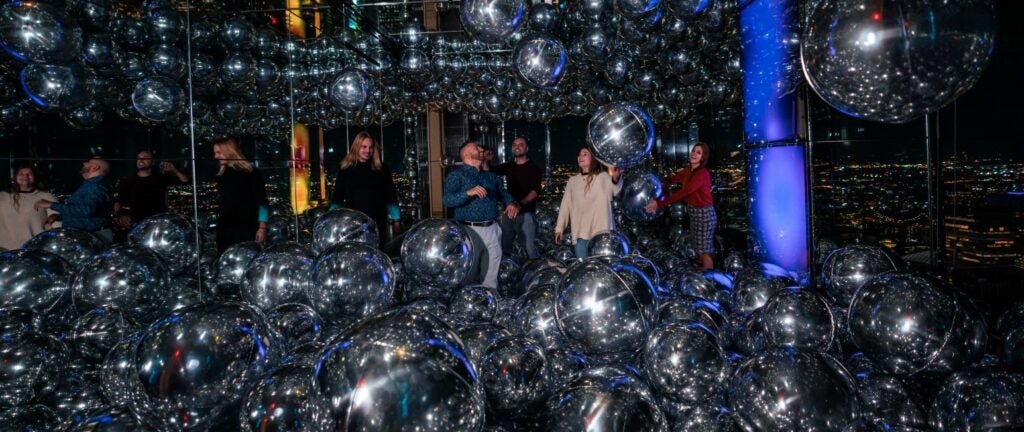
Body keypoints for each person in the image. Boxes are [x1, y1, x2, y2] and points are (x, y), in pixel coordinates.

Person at [443, 139, 519, 289]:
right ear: (465, 154)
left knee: (491, 275)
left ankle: (490, 305)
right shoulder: (456, 175)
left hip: (493, 229)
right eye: (476, 148)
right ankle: (466, 306)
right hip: (469, 231)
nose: (480, 149)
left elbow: (502, 194)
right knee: (468, 274)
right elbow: (447, 200)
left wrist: (510, 202)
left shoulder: (490, 176)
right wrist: (468, 193)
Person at [645, 142, 716, 269]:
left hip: (704, 214)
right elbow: (673, 178)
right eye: (694, 151)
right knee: (698, 248)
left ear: (703, 157)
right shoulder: (689, 170)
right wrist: (662, 182)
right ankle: (704, 275)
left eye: (698, 152)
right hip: (695, 213)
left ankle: (708, 281)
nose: (694, 154)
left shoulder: (702, 174)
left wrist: (659, 204)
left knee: (704, 251)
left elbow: (684, 192)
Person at [331, 131, 400, 245]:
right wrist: (332, 221)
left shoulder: (382, 169)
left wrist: (396, 219)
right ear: (356, 147)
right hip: (353, 222)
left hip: (377, 221)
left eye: (371, 147)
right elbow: (337, 197)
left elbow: (391, 195)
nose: (368, 151)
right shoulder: (345, 169)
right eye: (364, 147)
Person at [555, 147, 623, 258]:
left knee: (602, 267)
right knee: (584, 268)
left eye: (585, 154)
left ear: (593, 158)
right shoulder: (572, 181)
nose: (580, 157)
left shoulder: (602, 177)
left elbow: (615, 190)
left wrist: (616, 178)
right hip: (580, 233)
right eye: (579, 154)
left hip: (601, 232)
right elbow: (565, 206)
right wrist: (559, 229)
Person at [35, 157, 114, 244]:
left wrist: (51, 205)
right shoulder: (91, 185)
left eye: (88, 162)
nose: (84, 163)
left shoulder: (95, 186)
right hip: (88, 236)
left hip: (92, 237)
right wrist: (59, 217)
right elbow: (82, 211)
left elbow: (85, 210)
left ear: (95, 167)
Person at [213, 137, 269, 252]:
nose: (216, 157)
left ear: (229, 151)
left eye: (219, 152)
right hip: (225, 231)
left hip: (248, 229)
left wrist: (262, 228)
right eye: (215, 153)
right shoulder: (221, 176)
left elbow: (263, 203)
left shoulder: (252, 173)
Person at [491, 137, 543, 260]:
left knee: (529, 249)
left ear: (526, 148)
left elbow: (535, 191)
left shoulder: (533, 168)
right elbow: (491, 171)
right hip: (508, 214)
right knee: (505, 248)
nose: (517, 146)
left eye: (521, 144)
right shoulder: (509, 166)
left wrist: (519, 204)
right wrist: (486, 159)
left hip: (526, 214)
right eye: (514, 144)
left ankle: (532, 275)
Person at [114, 150, 189, 230]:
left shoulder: (160, 178)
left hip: (159, 223)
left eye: (145, 158)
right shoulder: (128, 181)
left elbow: (185, 181)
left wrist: (174, 170)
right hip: (137, 224)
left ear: (153, 162)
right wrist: (120, 216)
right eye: (139, 158)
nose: (141, 160)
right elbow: (118, 201)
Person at [0, 166, 58, 250]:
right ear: (15, 177)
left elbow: (56, 221)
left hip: (35, 248)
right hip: (5, 249)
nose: (25, 176)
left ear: (35, 177)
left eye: (29, 174)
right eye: (21, 174)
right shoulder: (2, 196)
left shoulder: (45, 196)